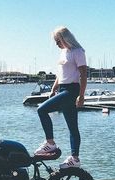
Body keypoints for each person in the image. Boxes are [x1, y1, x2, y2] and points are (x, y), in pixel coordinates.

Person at [34, 26, 87, 169]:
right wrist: (53, 88)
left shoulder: (78, 52)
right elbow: (60, 74)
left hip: (71, 90)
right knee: (72, 127)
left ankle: (50, 144)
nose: (56, 43)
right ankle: (75, 159)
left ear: (65, 38)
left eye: (58, 40)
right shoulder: (63, 53)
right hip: (63, 89)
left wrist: (81, 96)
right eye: (56, 41)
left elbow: (83, 74)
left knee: (41, 110)